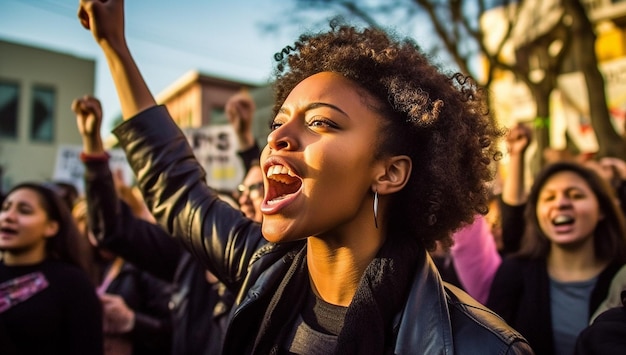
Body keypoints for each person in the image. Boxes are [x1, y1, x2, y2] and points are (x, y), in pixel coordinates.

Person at [77, 1, 533, 353]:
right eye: (277, 124)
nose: (278, 138)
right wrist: (115, 49)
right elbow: (176, 186)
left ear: (389, 172)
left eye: (321, 123)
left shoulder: (481, 346)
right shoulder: (260, 267)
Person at [72, 95, 234, 355]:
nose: (212, 216)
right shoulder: (186, 259)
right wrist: (93, 150)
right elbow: (115, 230)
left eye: (226, 207)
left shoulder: (267, 275)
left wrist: (133, 322)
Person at [487, 161, 626, 355]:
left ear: (602, 209)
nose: (560, 203)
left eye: (576, 195)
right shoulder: (514, 271)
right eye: (549, 198)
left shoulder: (622, 278)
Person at [0, 182, 103, 355]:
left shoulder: (71, 284)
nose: (8, 217)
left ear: (51, 227)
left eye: (24, 211)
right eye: (5, 208)